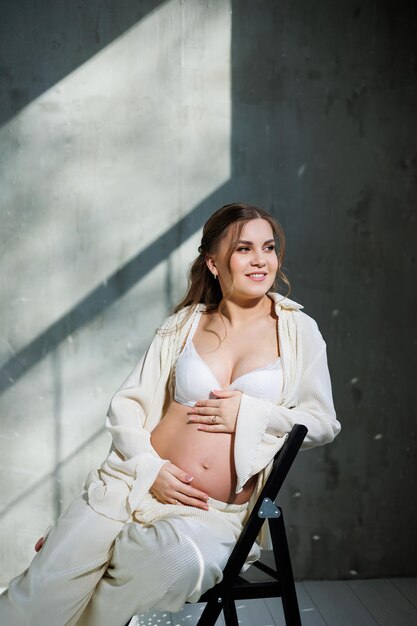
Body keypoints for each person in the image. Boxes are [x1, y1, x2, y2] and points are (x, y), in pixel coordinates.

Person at [0, 203, 341, 625]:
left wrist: (250, 414)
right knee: (35, 598)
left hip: (209, 515)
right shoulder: (183, 325)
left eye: (268, 247)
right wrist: (150, 469)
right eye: (244, 249)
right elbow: (127, 406)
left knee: (173, 563)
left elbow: (322, 421)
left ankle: (111, 548)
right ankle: (90, 542)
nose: (260, 260)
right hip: (132, 486)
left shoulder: (296, 330)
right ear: (213, 264)